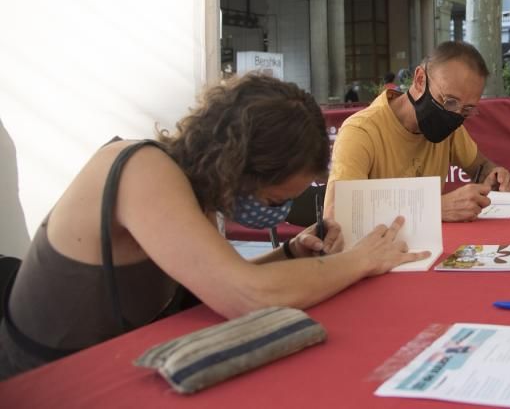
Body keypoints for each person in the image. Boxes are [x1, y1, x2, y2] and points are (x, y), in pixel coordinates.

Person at [0, 74, 426, 380]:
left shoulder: (193, 191)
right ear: (238, 168)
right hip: (45, 379)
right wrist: (360, 260)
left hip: (115, 365)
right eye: (275, 201)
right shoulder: (139, 169)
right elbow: (246, 295)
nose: (278, 215)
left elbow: (212, 285)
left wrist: (291, 252)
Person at [325, 41, 510, 222]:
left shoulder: (451, 128)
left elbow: (480, 166)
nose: (456, 115)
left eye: (467, 109)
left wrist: (493, 176)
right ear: (420, 80)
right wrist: (433, 208)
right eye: (450, 101)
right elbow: (337, 213)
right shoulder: (361, 131)